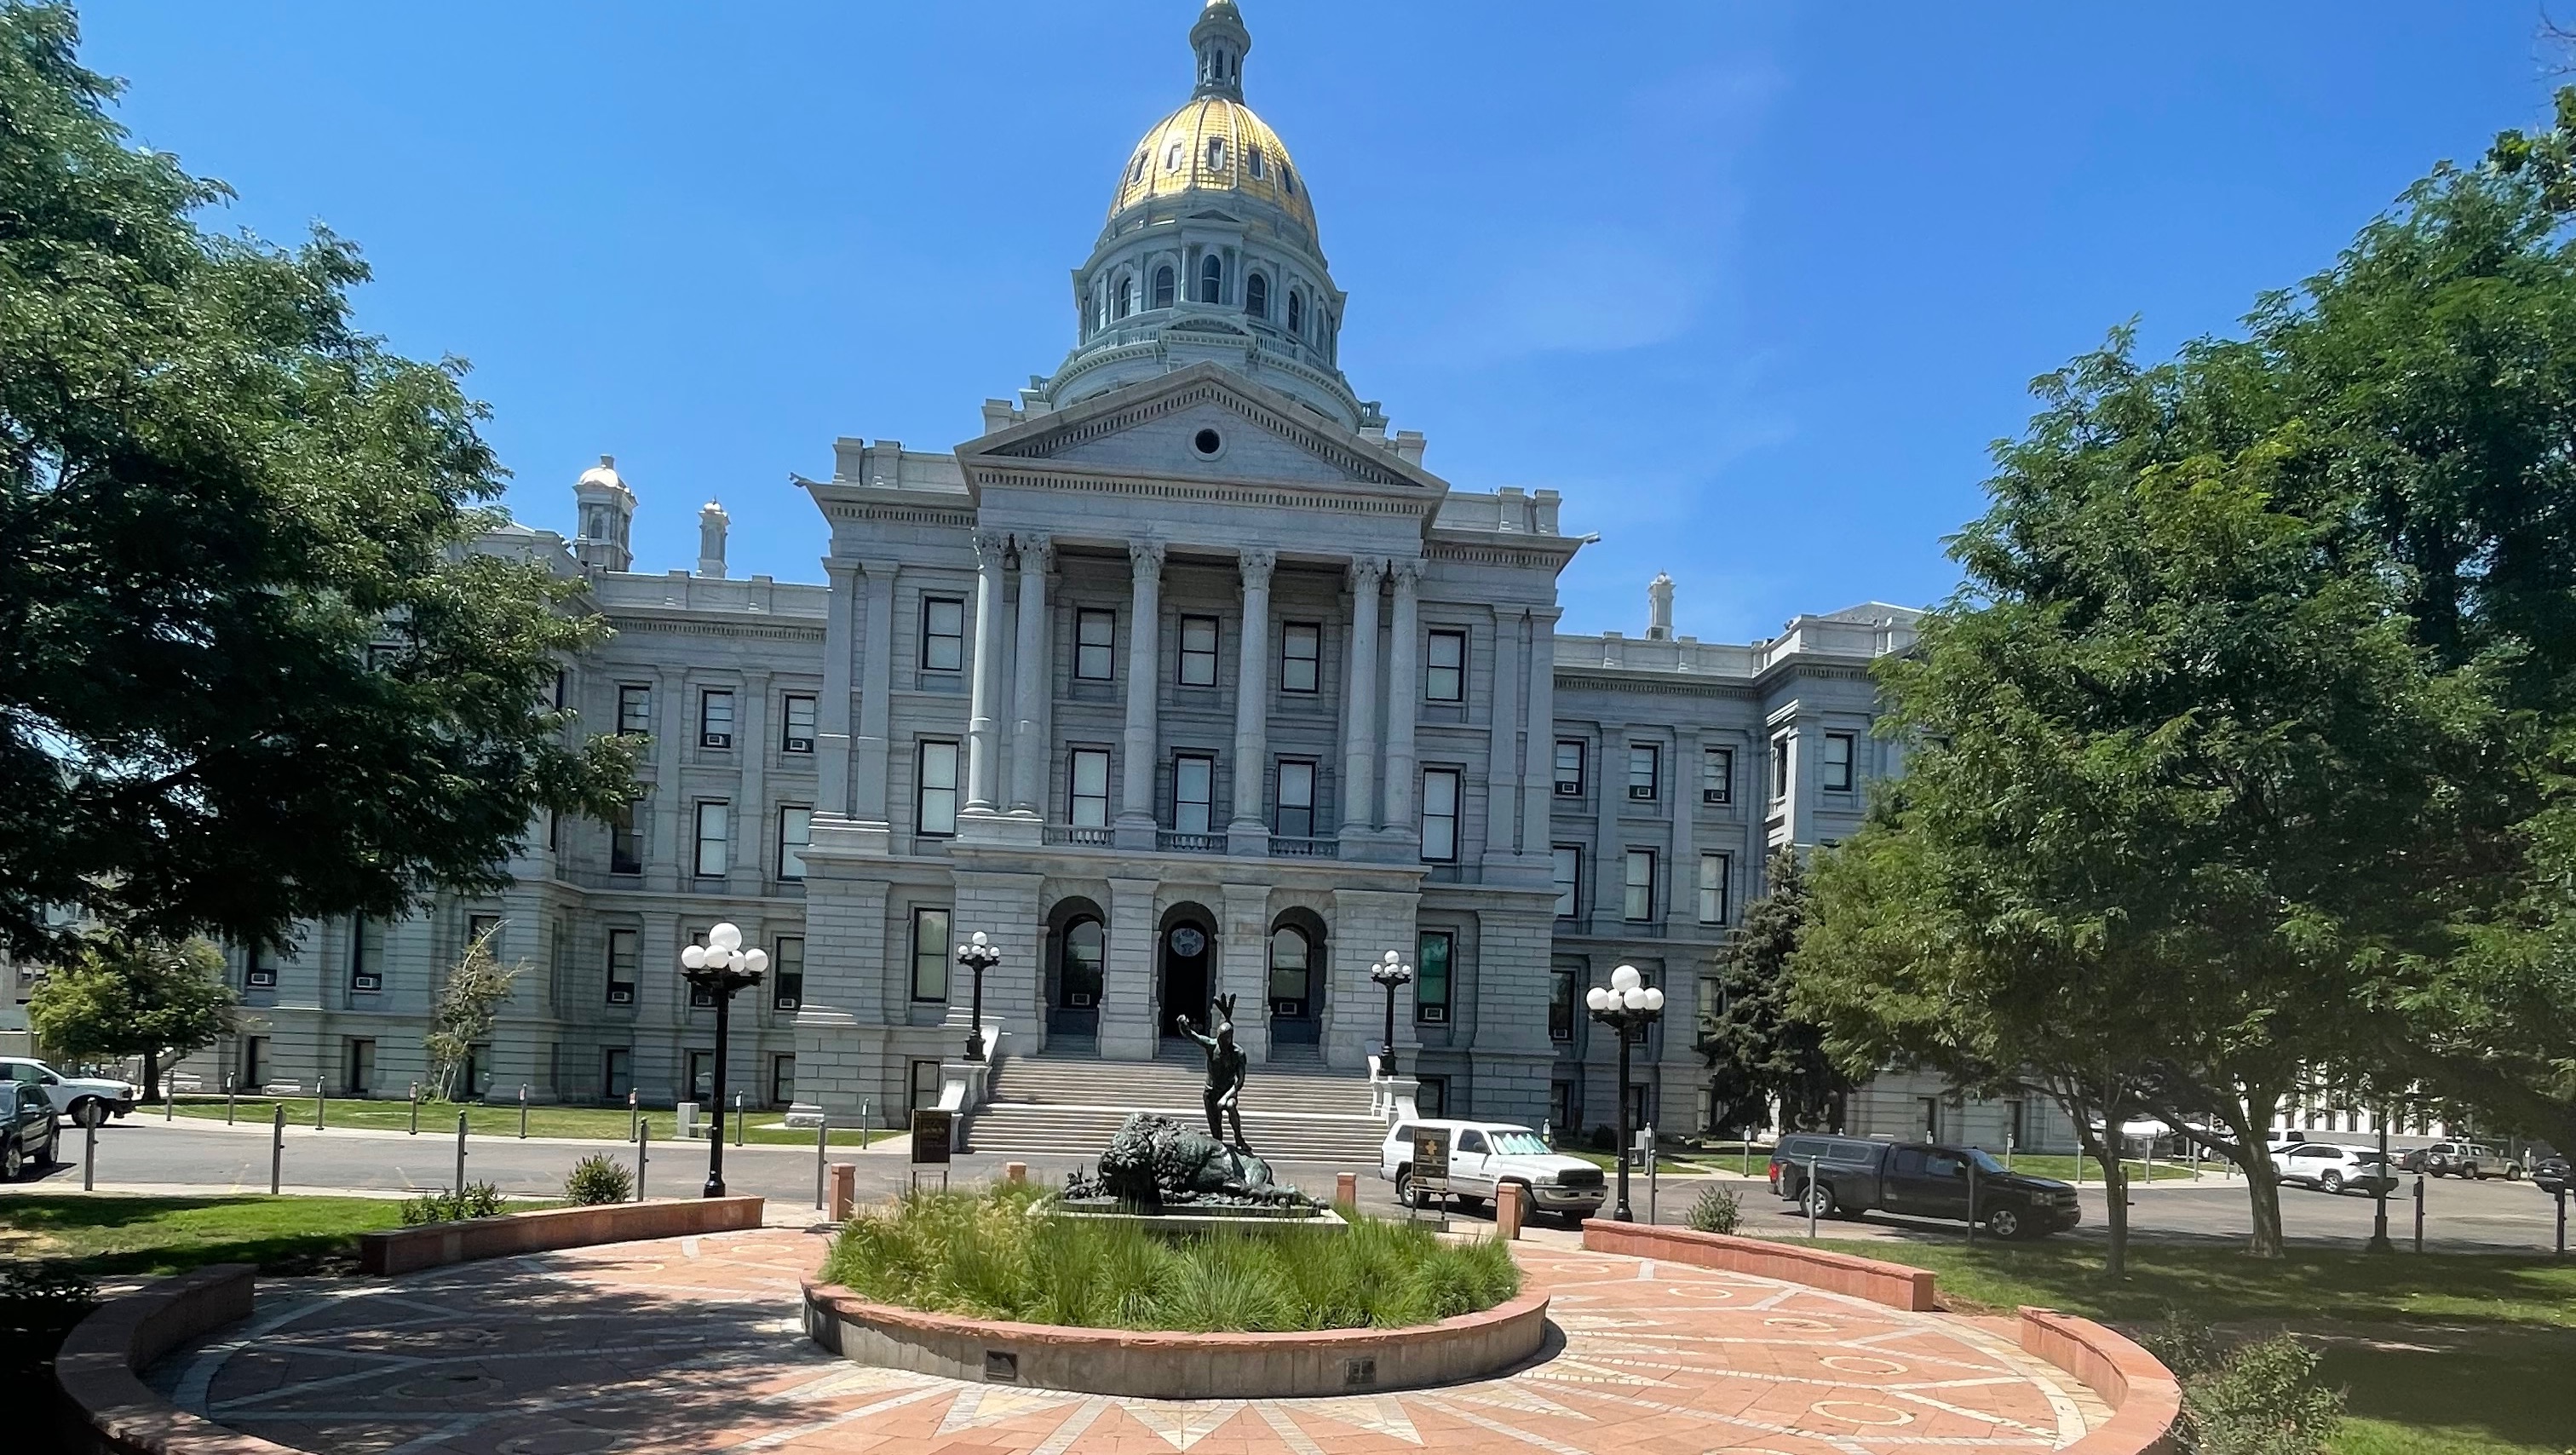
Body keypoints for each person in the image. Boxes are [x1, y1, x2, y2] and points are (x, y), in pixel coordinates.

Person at [1176, 995, 1249, 1148]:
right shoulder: (1211, 1046)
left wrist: (1226, 1097)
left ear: (1230, 1039)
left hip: (1228, 1091)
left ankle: (1238, 1137)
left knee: (1230, 1106)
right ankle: (1220, 1150)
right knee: (1216, 1133)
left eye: (1224, 1039)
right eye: (1219, 1038)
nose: (1220, 1042)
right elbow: (1193, 1036)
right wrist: (1183, 1025)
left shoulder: (1238, 1054)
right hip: (1211, 1092)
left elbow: (1240, 1082)